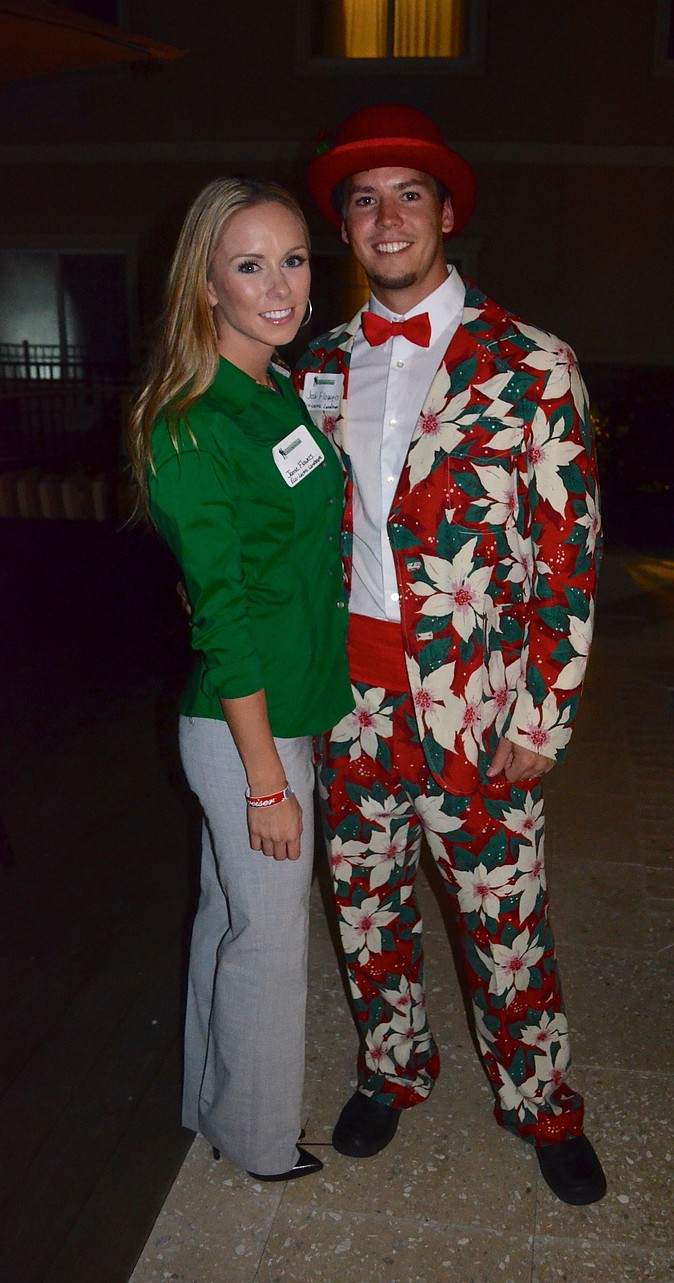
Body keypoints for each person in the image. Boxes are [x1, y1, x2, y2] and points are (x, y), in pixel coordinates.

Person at [296, 104, 606, 1205]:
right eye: (364, 199)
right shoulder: (321, 365)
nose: (387, 217)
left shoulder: (532, 360)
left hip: (475, 707)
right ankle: (394, 1065)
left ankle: (541, 1099)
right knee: (364, 899)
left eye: (408, 194)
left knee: (501, 913)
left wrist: (543, 716)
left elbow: (569, 554)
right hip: (348, 703)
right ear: (344, 227)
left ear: (445, 213)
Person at [126, 177, 352, 1181]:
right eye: (249, 263)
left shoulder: (271, 392)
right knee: (268, 939)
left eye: (293, 259)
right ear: (206, 284)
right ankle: (260, 1142)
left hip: (288, 700)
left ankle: (210, 1106)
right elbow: (220, 615)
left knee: (232, 916)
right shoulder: (190, 419)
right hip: (243, 724)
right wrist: (265, 778)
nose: (278, 283)